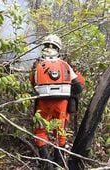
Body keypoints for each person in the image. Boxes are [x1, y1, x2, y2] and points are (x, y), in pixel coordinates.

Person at [30, 34, 84, 169]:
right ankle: (58, 163)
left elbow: (33, 83)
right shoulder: (65, 65)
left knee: (41, 131)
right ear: (58, 49)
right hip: (62, 104)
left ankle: (47, 164)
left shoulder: (37, 65)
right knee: (60, 131)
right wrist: (66, 93)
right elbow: (79, 86)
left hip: (43, 103)